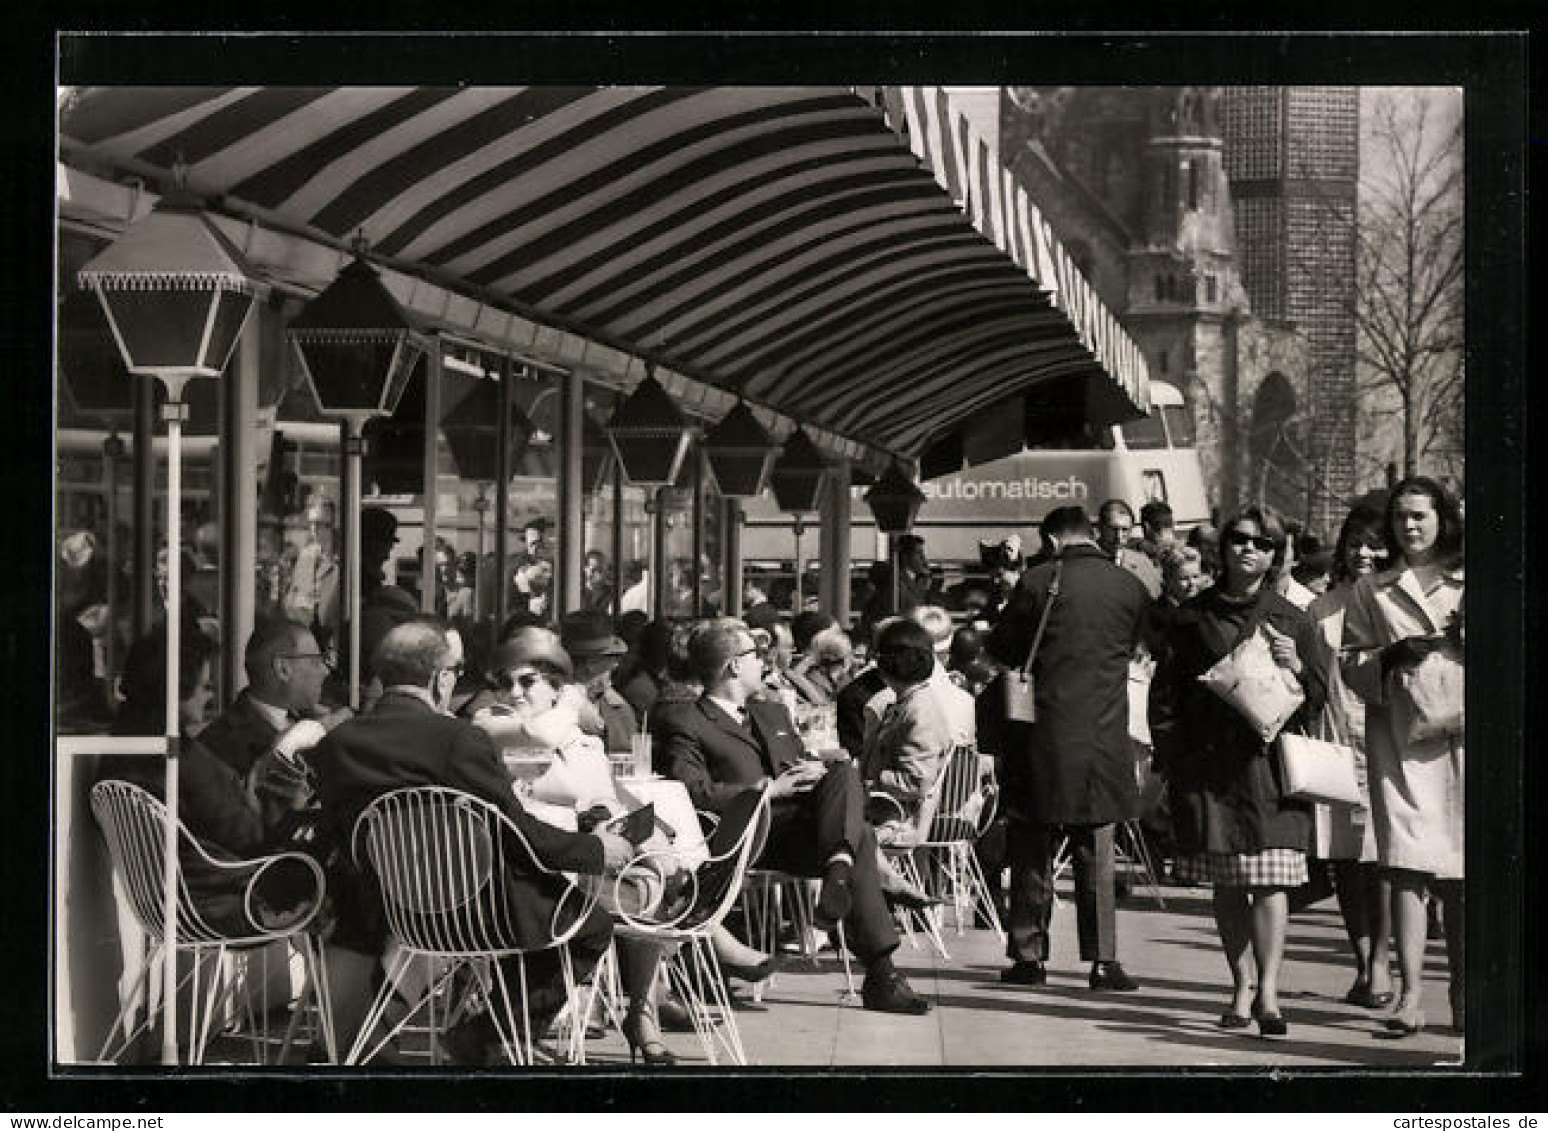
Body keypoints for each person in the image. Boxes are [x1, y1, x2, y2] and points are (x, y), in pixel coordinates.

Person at [311, 621, 631, 1064]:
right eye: (456, 672)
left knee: (534, 911)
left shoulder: (338, 743)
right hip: (472, 912)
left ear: (382, 674)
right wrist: (596, 850)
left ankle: (469, 1036)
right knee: (589, 925)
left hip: (386, 908)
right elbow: (518, 835)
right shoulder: (458, 740)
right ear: (441, 677)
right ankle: (488, 1034)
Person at [654, 619, 932, 1015]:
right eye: (756, 656)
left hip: (799, 829)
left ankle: (839, 870)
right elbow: (693, 792)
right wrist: (770, 788)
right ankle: (881, 974)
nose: (765, 663)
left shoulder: (770, 712)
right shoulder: (686, 720)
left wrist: (814, 772)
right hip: (746, 833)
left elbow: (802, 763)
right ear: (733, 666)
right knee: (862, 838)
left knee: (842, 773)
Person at [1149, 506, 1325, 1036]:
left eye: (1263, 544)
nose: (1250, 549)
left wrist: (1296, 665)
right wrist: (1174, 756)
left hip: (1269, 770)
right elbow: (1166, 694)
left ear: (1274, 556)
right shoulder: (1191, 615)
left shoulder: (1294, 618)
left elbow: (1317, 699)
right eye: (1240, 540)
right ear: (1222, 548)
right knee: (1228, 886)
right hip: (1211, 771)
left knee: (1271, 885)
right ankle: (1240, 985)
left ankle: (1270, 990)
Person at [986, 503, 1150, 993]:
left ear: (1054, 539)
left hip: (1041, 735)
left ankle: (1029, 956)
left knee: (1032, 848)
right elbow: (1142, 646)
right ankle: (1104, 961)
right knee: (1096, 849)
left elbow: (1005, 649)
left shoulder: (1037, 582)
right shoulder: (1129, 586)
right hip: (1103, 736)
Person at [1340, 477, 1465, 1036]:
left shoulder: (1470, 581)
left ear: (1442, 518)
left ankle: (1465, 994)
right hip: (1401, 740)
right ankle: (1411, 997)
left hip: (1464, 738)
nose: (1408, 527)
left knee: (1462, 872)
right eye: (1399, 519)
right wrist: (1387, 657)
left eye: (1419, 516)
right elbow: (1350, 661)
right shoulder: (1374, 590)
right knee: (1408, 867)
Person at [1305, 504, 1394, 1011]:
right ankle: (1363, 960)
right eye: (1354, 542)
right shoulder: (1322, 609)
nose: (1363, 552)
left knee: (1382, 861)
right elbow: (1314, 681)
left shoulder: (1396, 603)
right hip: (1336, 743)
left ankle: (1381, 963)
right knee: (1346, 862)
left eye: (1374, 542)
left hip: (1388, 744)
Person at [861, 619, 953, 825]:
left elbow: (916, 782)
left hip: (896, 818)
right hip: (886, 809)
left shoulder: (919, 711)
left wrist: (871, 780)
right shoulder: (908, 702)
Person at [558, 610, 639, 752]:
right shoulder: (550, 705)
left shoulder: (618, 709)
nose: (616, 664)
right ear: (592, 662)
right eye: (612, 657)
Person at [283, 496, 340, 647]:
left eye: (320, 524)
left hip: (334, 643)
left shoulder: (344, 558)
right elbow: (293, 599)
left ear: (333, 524)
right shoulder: (306, 555)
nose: (314, 530)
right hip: (306, 639)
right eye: (311, 524)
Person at [1097, 498, 1162, 600]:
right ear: (1100, 527)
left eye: (1125, 530)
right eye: (1113, 529)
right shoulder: (1087, 561)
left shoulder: (1143, 563)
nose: (1119, 536)